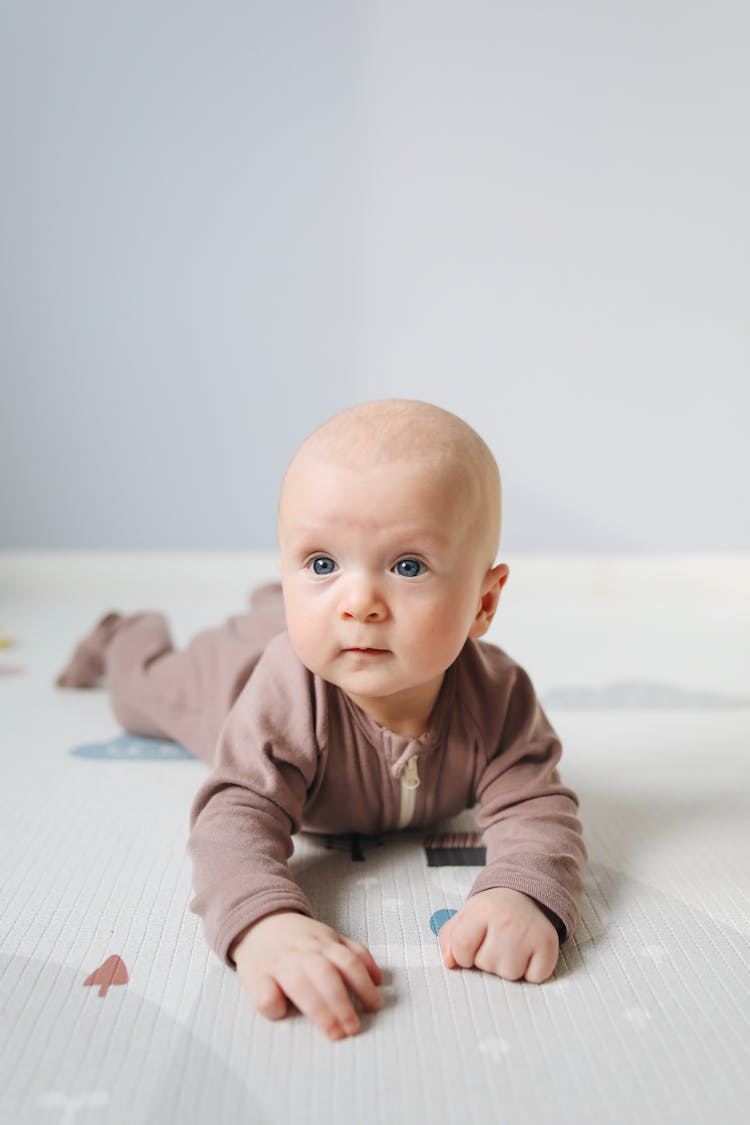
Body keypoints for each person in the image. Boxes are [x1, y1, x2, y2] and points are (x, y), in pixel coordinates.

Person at [56, 399, 586, 1042]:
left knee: (301, 619)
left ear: (484, 601)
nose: (359, 602)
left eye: (408, 566)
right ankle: (125, 632)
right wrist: (264, 924)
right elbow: (235, 816)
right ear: (290, 573)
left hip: (294, 629)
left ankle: (275, 598)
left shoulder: (498, 698)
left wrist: (521, 894)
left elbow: (538, 807)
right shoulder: (286, 699)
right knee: (138, 696)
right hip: (228, 679)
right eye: (322, 563)